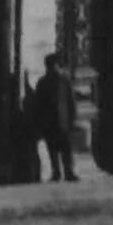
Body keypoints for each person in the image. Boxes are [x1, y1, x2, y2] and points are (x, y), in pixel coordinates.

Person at [34, 54, 80, 182]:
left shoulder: (45, 82)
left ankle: (60, 172)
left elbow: (39, 104)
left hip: (54, 121)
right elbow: (71, 101)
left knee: (57, 148)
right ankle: (65, 172)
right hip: (60, 120)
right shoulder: (63, 80)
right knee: (61, 148)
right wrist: (72, 117)